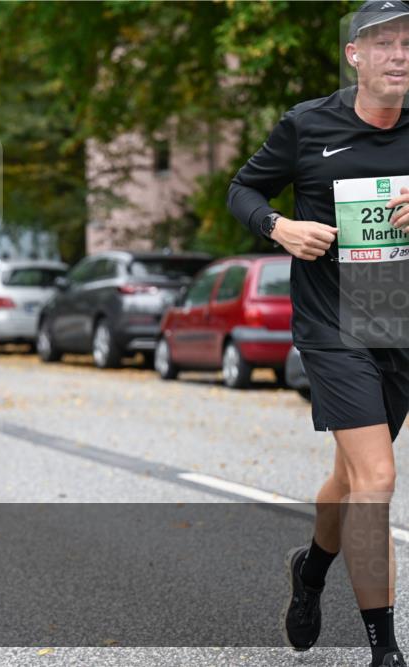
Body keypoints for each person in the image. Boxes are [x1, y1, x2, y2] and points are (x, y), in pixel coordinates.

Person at [227, 3, 409, 666]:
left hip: (399, 319)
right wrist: (280, 228)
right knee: (379, 477)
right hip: (333, 323)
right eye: (383, 43)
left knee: (352, 475)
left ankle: (310, 571)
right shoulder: (308, 125)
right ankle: (384, 648)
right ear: (355, 56)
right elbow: (243, 190)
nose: (399, 55)